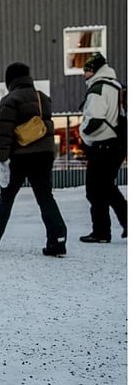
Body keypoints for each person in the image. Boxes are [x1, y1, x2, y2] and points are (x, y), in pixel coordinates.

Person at [0, 62, 68, 257]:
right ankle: (57, 239)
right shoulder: (43, 99)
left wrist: (2, 161)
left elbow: (4, 134)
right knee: (45, 196)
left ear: (10, 80)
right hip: (44, 155)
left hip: (20, 156)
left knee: (6, 197)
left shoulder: (10, 100)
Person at [78, 52, 127, 243]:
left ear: (95, 70)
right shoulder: (115, 86)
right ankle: (124, 224)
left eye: (87, 70)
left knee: (94, 189)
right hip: (117, 144)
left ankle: (101, 232)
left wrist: (84, 134)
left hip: (103, 146)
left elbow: (95, 120)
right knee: (107, 187)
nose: (84, 75)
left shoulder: (98, 89)